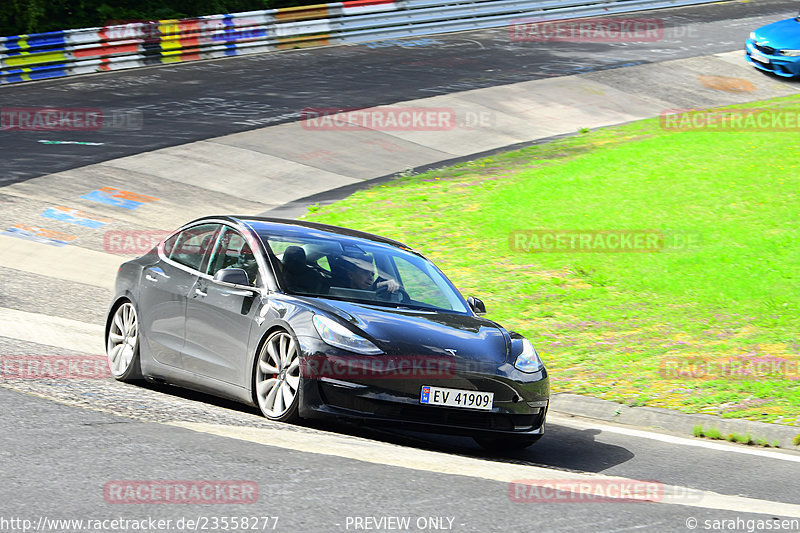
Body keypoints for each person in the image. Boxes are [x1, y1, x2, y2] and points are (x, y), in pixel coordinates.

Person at [336, 253, 400, 295]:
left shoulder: (374, 297)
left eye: (372, 274)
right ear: (351, 275)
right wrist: (377, 286)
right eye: (365, 272)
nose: (371, 278)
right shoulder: (336, 294)